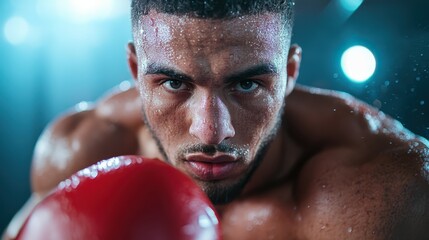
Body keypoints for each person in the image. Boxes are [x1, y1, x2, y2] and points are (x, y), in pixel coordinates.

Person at [3, 0, 429, 239]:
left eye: (246, 86)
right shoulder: (82, 155)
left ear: (290, 72)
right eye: (174, 84)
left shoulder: (379, 193)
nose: (210, 131)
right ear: (135, 70)